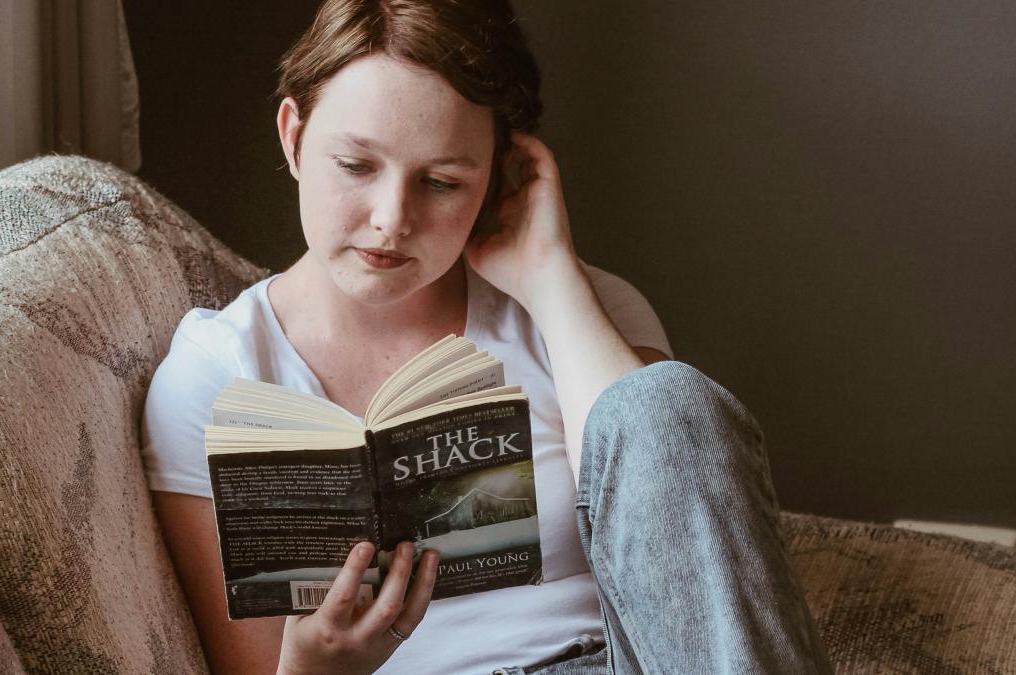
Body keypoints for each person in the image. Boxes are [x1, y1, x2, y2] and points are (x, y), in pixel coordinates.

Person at [141, 1, 834, 673]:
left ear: (499, 174)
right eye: (355, 166)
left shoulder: (583, 310)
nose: (391, 218)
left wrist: (551, 277)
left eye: (442, 182)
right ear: (293, 136)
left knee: (665, 401)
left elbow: (668, 514)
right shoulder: (215, 375)